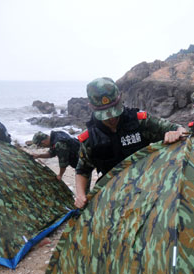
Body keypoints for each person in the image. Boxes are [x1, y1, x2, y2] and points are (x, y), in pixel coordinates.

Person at [75, 77, 185, 208]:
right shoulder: (89, 138)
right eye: (106, 115)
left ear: (120, 98)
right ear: (91, 107)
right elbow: (82, 170)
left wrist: (175, 133)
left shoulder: (140, 121)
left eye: (114, 111)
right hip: (114, 194)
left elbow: (179, 129)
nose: (112, 119)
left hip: (148, 186)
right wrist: (80, 195)